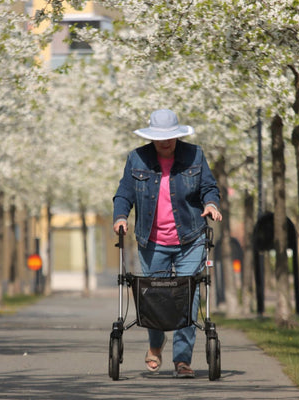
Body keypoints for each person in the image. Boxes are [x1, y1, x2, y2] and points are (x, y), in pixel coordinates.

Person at [112, 108, 222, 378]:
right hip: (152, 241)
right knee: (155, 296)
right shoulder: (137, 158)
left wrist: (210, 203)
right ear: (151, 137)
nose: (165, 142)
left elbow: (209, 187)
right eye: (160, 138)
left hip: (190, 238)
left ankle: (182, 360)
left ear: (177, 136)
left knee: (188, 295)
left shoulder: (194, 155)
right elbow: (124, 192)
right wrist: (121, 217)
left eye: (170, 137)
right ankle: (156, 344)